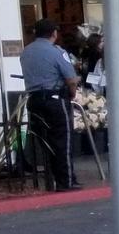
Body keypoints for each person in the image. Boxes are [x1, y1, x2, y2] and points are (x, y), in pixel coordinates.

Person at [18, 18, 80, 191]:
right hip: (55, 99)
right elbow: (71, 79)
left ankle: (49, 179)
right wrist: (72, 93)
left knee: (44, 143)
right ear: (54, 33)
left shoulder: (26, 52)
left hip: (34, 100)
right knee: (62, 141)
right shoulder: (57, 52)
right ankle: (66, 181)